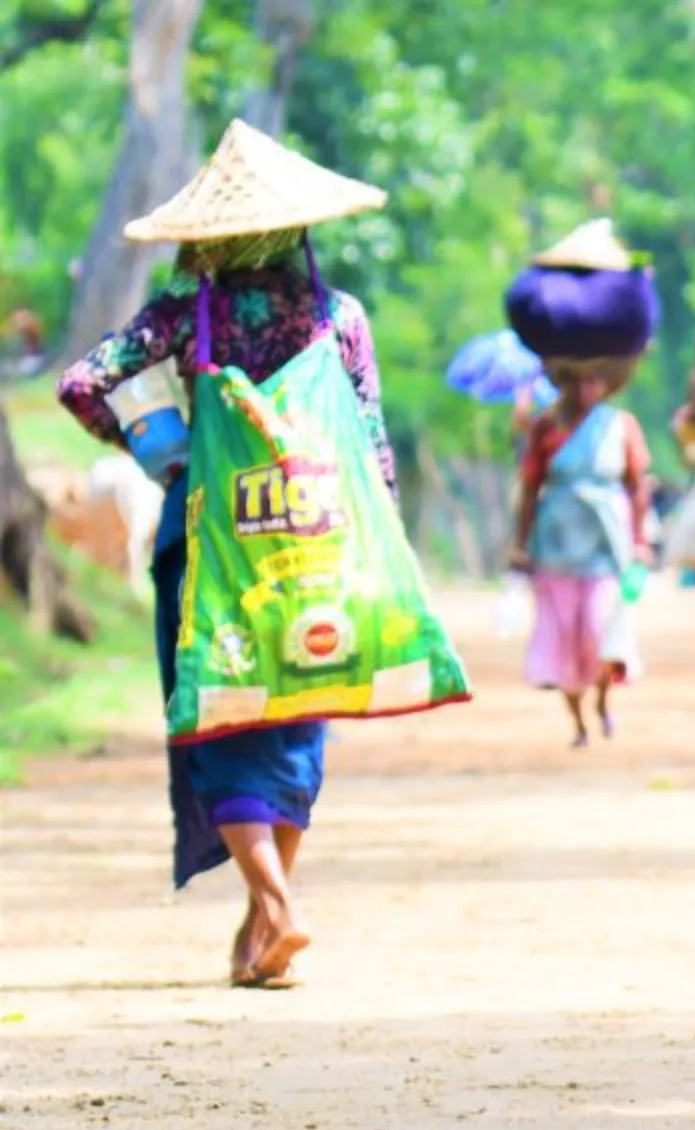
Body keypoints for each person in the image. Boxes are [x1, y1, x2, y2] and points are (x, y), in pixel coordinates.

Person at [57, 121, 394, 988]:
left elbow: (83, 382)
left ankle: (274, 910)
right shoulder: (337, 316)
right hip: (317, 541)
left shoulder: (187, 313)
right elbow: (370, 442)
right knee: (294, 718)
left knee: (218, 715)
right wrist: (380, 542)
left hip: (210, 539)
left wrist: (159, 451)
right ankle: (261, 924)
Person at [510, 357, 652, 747]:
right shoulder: (547, 426)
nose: (584, 390)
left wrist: (640, 541)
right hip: (554, 546)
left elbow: (637, 485)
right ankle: (578, 723)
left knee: (600, 630)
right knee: (564, 639)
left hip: (606, 546)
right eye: (576, 382)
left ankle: (604, 701)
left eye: (593, 382)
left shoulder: (620, 426)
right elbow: (529, 489)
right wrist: (520, 545)